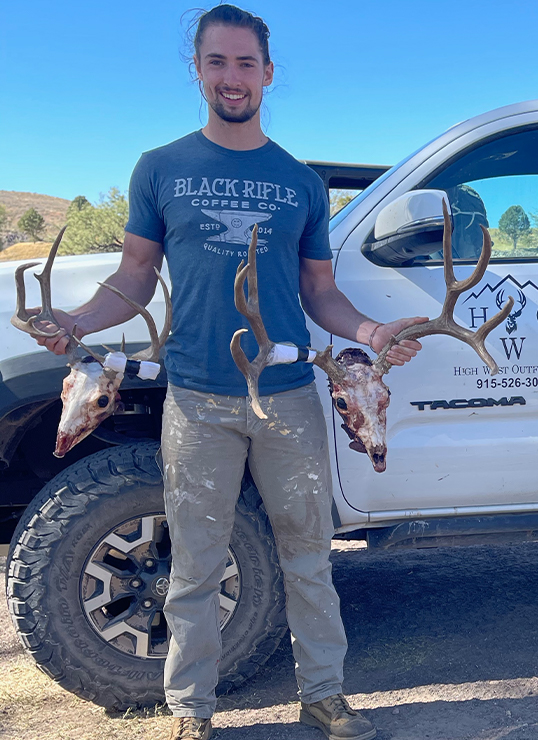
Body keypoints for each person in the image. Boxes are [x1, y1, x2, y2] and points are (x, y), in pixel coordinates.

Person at [32, 6, 424, 740]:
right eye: (217, 61)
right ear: (198, 70)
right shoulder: (161, 167)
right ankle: (192, 711)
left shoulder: (300, 183)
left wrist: (372, 332)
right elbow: (135, 276)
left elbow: (319, 292)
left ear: (268, 73)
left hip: (286, 400)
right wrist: (80, 323)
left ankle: (325, 695)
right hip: (198, 398)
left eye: (246, 63)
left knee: (308, 555)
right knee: (197, 564)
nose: (232, 77)